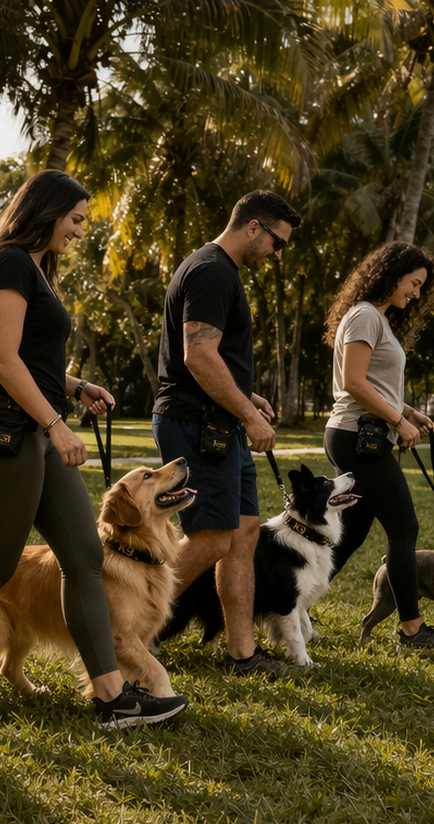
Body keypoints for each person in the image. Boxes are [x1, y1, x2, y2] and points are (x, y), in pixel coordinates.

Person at [0, 169, 189, 729]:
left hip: (34, 431)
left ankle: (111, 696)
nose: (78, 230)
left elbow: (31, 355)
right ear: (46, 212)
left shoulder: (36, 270)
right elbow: (1, 358)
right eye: (74, 219)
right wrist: (56, 424)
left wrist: (73, 387)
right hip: (6, 434)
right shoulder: (10, 262)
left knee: (85, 558)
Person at [152, 190, 304, 674]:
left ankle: (242, 653)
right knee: (214, 537)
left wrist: (245, 399)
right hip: (196, 423)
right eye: (278, 243)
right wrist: (252, 415)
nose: (278, 255)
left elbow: (213, 357)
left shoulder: (222, 271)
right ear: (254, 227)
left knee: (242, 535)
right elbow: (198, 356)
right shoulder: (212, 269)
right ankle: (123, 626)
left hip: (220, 421)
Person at [323, 242, 434, 650]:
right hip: (359, 436)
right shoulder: (366, 315)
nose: (417, 294)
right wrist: (398, 421)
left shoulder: (375, 318)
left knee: (350, 533)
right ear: (391, 274)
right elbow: (353, 383)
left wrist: (409, 411)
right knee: (404, 529)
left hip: (359, 434)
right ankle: (412, 630)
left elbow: (374, 383)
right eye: (414, 283)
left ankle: (289, 605)